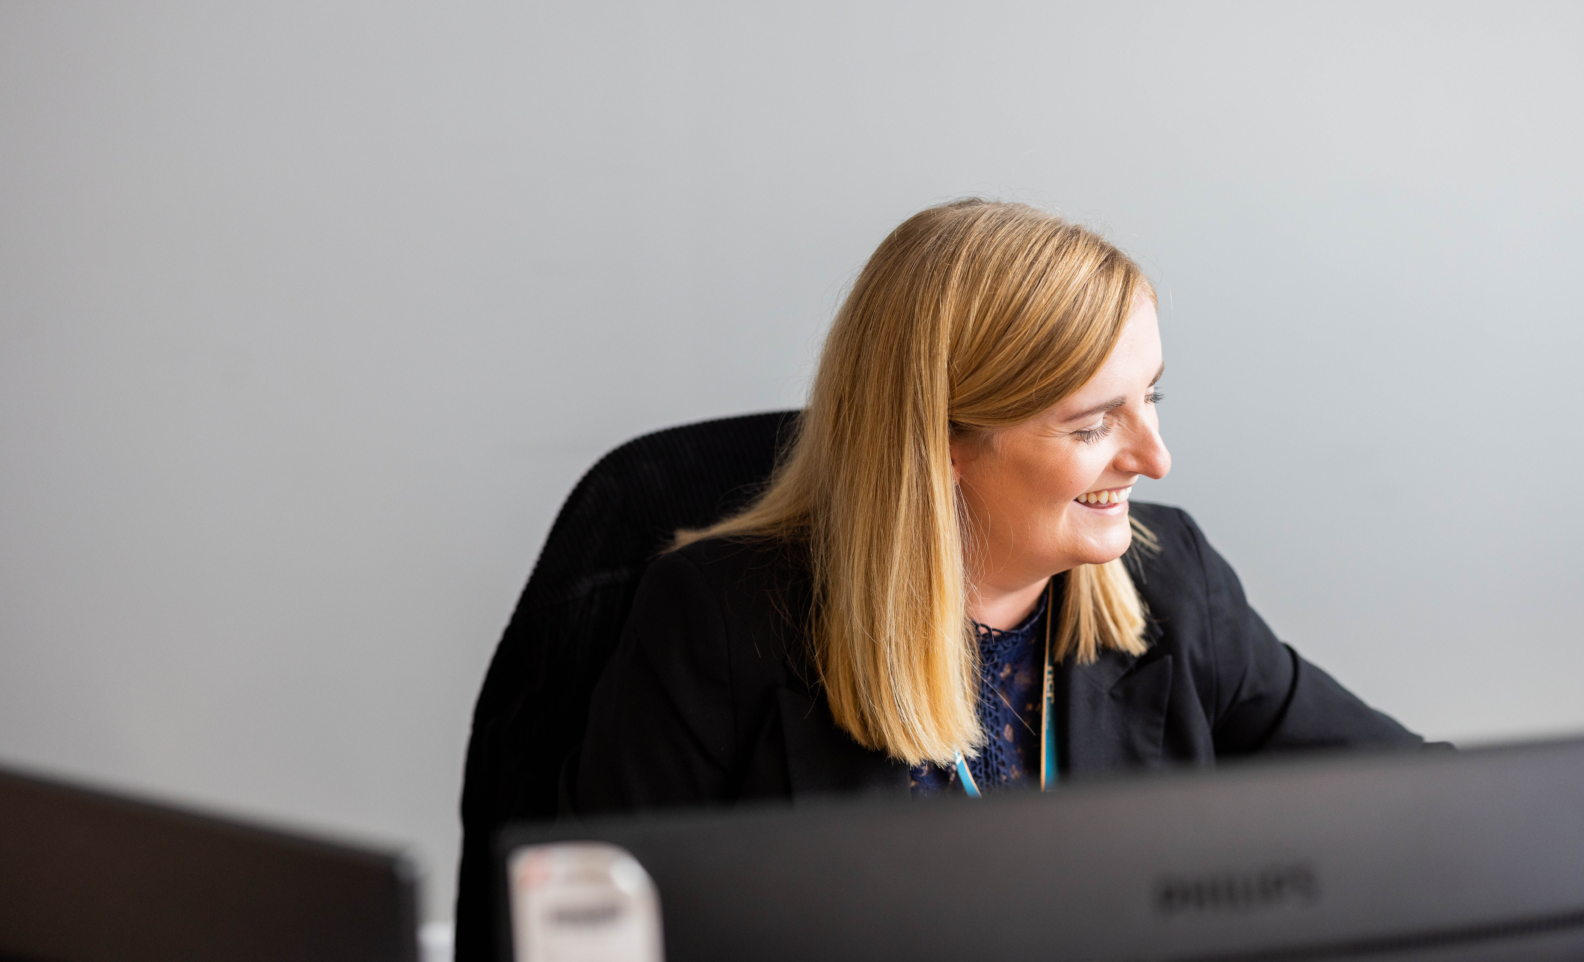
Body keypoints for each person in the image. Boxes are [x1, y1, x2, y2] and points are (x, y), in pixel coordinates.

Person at [573, 199, 1424, 813]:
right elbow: (602, 955)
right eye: (1093, 424)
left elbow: (1418, 797)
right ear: (939, 440)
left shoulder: (1175, 580)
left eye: (1151, 397)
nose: (1155, 459)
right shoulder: (717, 621)